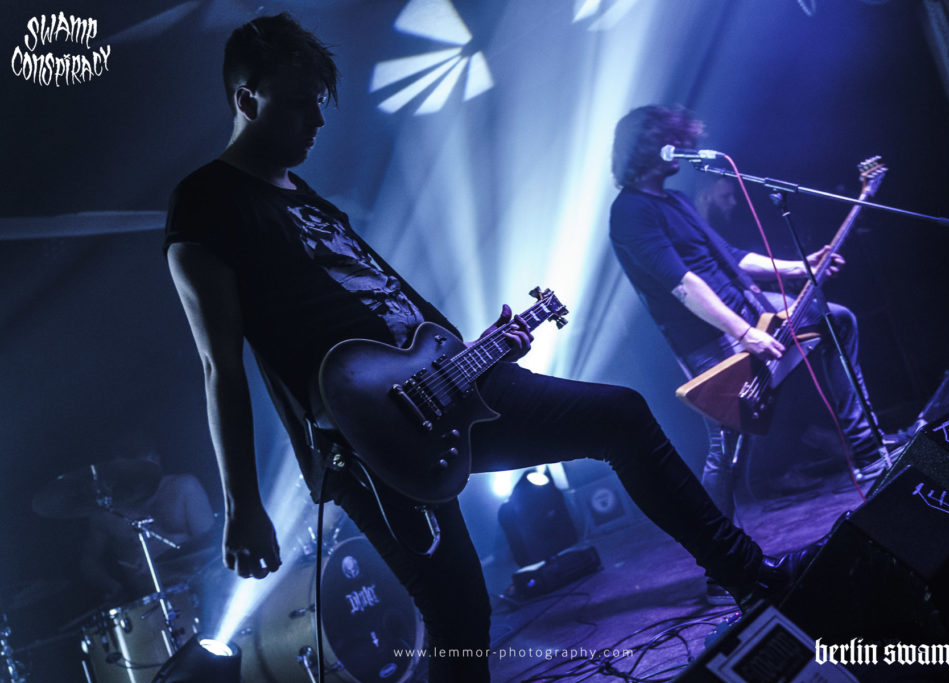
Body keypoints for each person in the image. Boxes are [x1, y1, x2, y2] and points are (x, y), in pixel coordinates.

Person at [164, 17, 815, 682]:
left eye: (319, 102)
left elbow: (386, 307)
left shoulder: (304, 196)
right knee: (459, 615)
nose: (317, 120)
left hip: (450, 382)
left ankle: (751, 575)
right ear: (247, 99)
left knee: (621, 416)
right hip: (371, 440)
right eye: (300, 102)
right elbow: (220, 365)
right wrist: (243, 503)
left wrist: (481, 350)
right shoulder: (206, 202)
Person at [608, 106, 889, 601]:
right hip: (711, 338)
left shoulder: (675, 201)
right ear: (650, 147)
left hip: (751, 309)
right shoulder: (630, 212)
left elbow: (732, 258)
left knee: (837, 320)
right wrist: (743, 332)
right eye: (675, 140)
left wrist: (799, 267)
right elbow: (683, 284)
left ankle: (868, 455)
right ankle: (722, 565)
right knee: (726, 447)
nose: (685, 150)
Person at [80, 451, 216, 605]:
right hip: (149, 602)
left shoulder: (183, 487)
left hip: (197, 590)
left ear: (154, 459)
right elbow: (88, 561)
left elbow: (211, 545)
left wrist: (166, 566)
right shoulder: (106, 515)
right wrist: (112, 586)